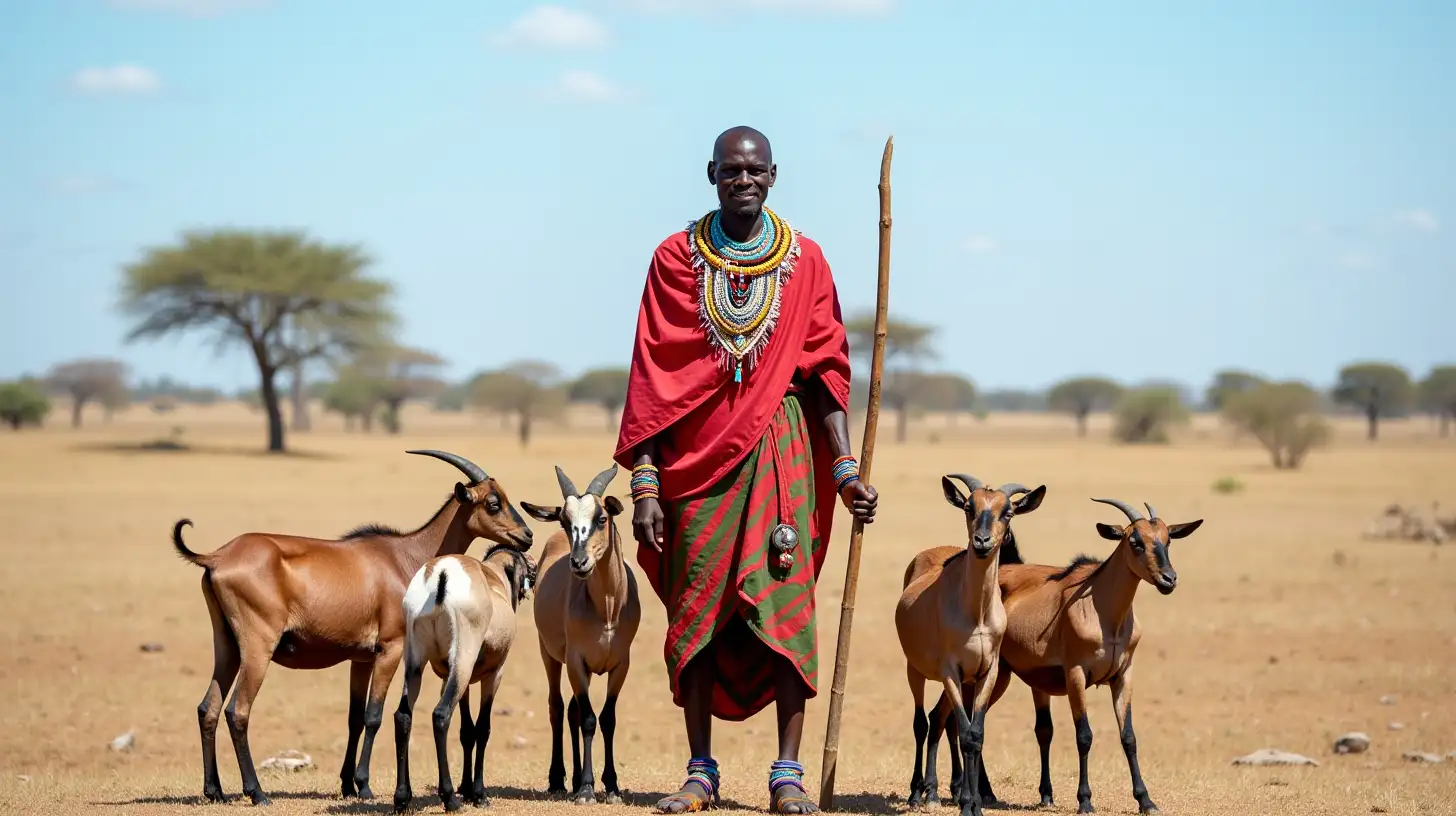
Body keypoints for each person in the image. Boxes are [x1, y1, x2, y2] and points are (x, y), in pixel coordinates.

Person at [613, 125, 878, 815]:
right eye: (731, 171)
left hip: (781, 455)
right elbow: (652, 380)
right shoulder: (674, 260)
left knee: (788, 611)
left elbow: (825, 373)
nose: (744, 181)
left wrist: (844, 469)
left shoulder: (808, 262)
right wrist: (646, 482)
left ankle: (786, 773)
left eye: (755, 170)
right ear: (710, 175)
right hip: (693, 467)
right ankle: (700, 770)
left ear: (774, 174)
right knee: (695, 613)